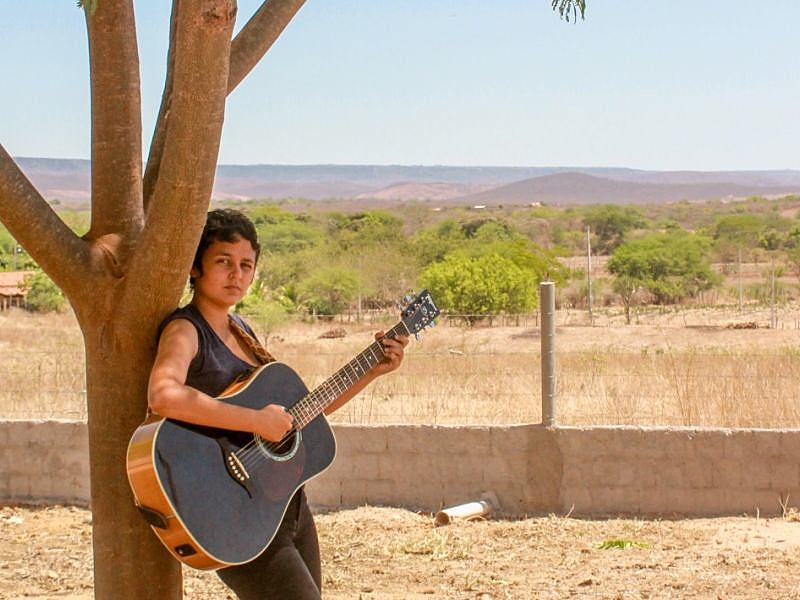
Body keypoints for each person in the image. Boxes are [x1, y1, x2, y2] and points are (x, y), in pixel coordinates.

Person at [147, 208, 408, 599]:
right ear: (195, 268)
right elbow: (163, 395)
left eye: (246, 265)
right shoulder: (185, 329)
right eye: (223, 262)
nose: (236, 274)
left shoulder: (242, 330)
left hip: (284, 506)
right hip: (234, 512)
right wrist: (255, 420)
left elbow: (294, 420)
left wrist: (373, 369)